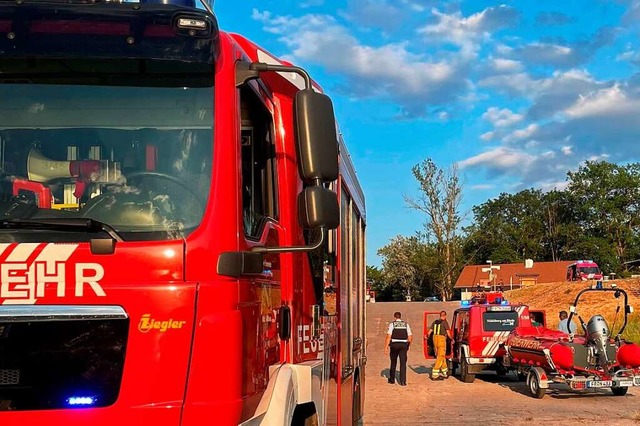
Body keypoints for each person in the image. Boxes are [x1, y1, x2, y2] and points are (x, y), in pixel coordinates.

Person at [384, 311, 412, 386]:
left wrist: (386, 347)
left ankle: (392, 379)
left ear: (395, 317)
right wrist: (408, 345)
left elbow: (388, 336)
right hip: (403, 345)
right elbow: (410, 337)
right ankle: (403, 381)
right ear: (400, 317)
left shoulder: (392, 324)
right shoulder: (406, 324)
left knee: (393, 362)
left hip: (394, 345)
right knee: (403, 363)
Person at [428, 310, 452, 380]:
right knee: (441, 356)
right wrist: (451, 339)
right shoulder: (445, 322)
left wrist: (427, 336)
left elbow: (429, 332)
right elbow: (448, 332)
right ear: (445, 316)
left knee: (441, 356)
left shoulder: (435, 322)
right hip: (441, 339)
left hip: (434, 339)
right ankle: (435, 374)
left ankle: (445, 372)